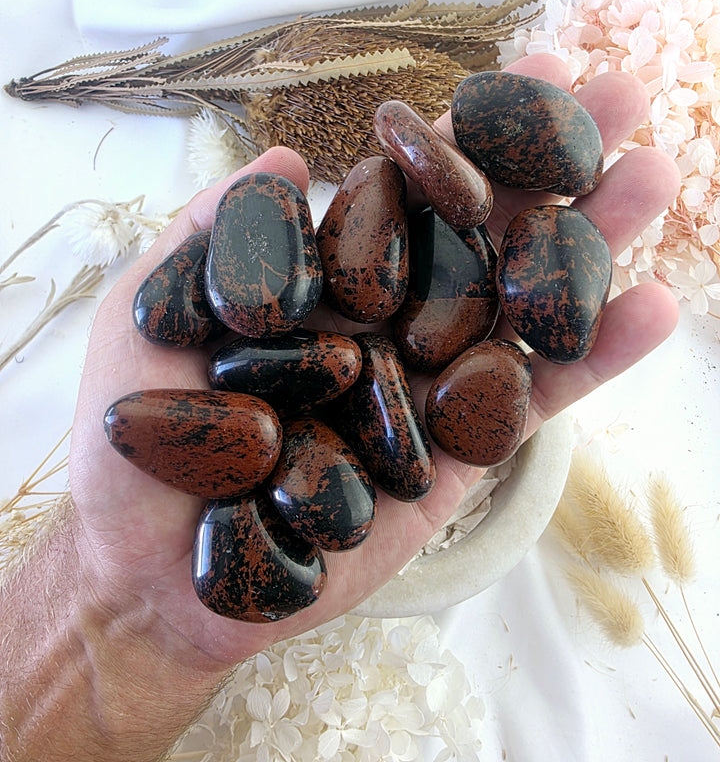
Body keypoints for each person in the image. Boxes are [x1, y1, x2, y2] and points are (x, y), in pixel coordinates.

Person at [0, 53, 681, 762]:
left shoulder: (323, 366)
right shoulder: (278, 398)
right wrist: (122, 603)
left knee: (340, 371)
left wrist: (124, 619)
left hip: (347, 390)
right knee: (326, 381)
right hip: (323, 401)